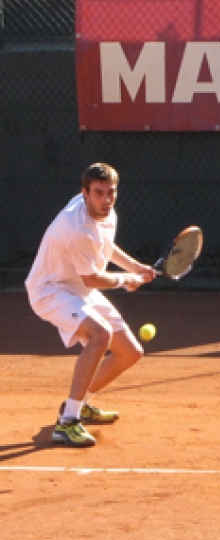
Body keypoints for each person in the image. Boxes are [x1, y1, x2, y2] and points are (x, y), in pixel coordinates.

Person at [25, 163, 156, 447]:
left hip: (78, 287)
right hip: (50, 290)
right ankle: (67, 422)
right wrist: (126, 280)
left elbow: (105, 246)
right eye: (98, 193)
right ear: (84, 193)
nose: (106, 199)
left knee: (130, 352)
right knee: (100, 335)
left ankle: (80, 404)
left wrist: (135, 266)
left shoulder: (105, 214)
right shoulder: (78, 228)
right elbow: (92, 278)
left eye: (111, 192)